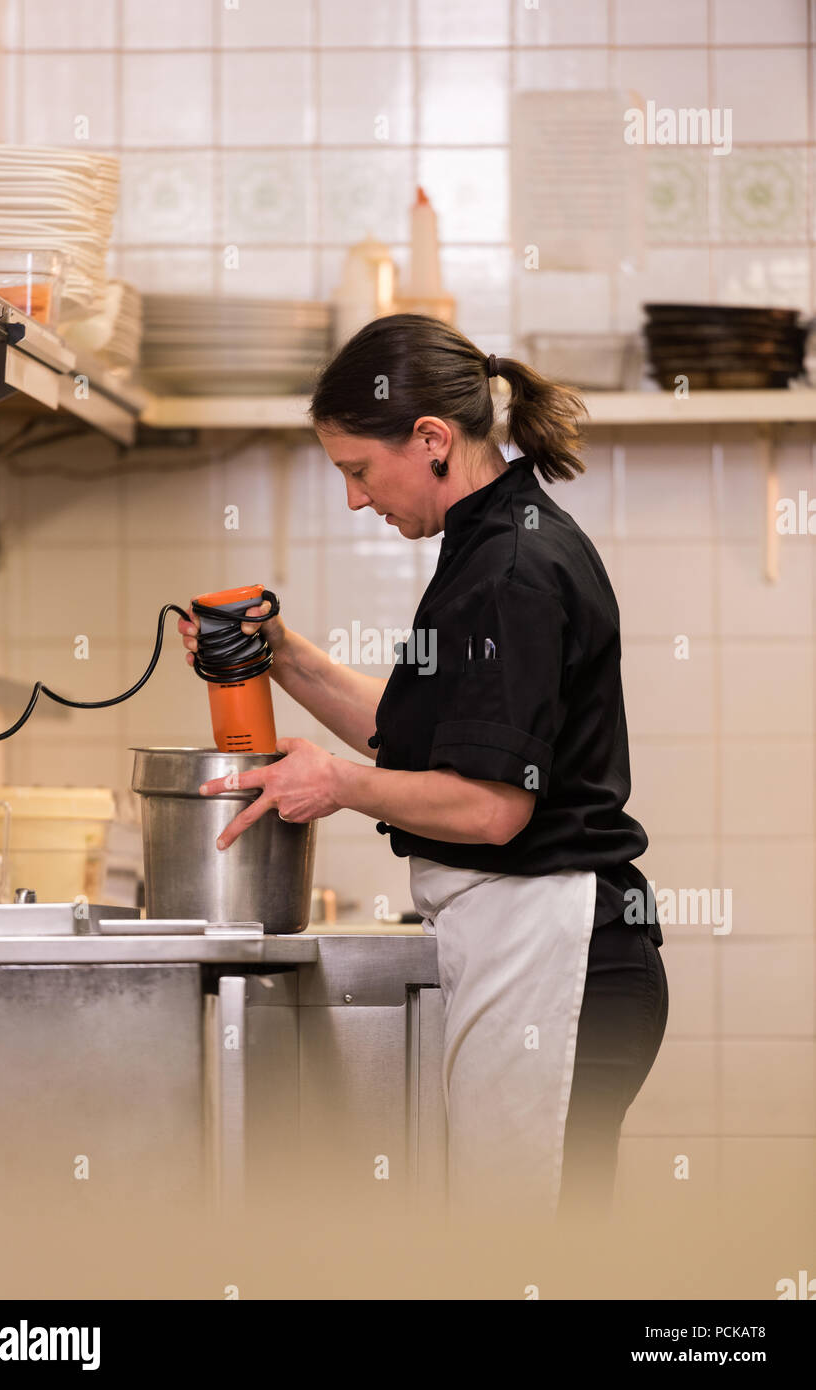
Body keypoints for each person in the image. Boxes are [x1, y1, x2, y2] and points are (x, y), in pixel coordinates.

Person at [178, 313, 668, 1228]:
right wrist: (285, 657)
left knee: (528, 1257)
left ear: (433, 440)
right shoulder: (489, 545)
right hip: (542, 946)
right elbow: (417, 736)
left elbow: (490, 810)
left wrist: (336, 785)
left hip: (562, 954)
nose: (357, 500)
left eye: (358, 471)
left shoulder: (510, 569)